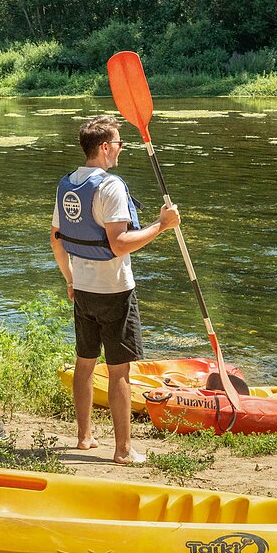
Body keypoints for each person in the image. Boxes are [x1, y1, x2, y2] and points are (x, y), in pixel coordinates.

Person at [51, 115, 179, 465]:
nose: (122, 149)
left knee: (85, 362)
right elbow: (120, 243)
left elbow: (56, 240)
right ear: (105, 147)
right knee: (119, 370)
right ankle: (123, 450)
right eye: (120, 143)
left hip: (84, 289)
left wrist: (70, 279)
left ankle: (84, 438)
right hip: (114, 290)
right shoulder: (110, 186)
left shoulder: (67, 184)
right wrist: (161, 225)